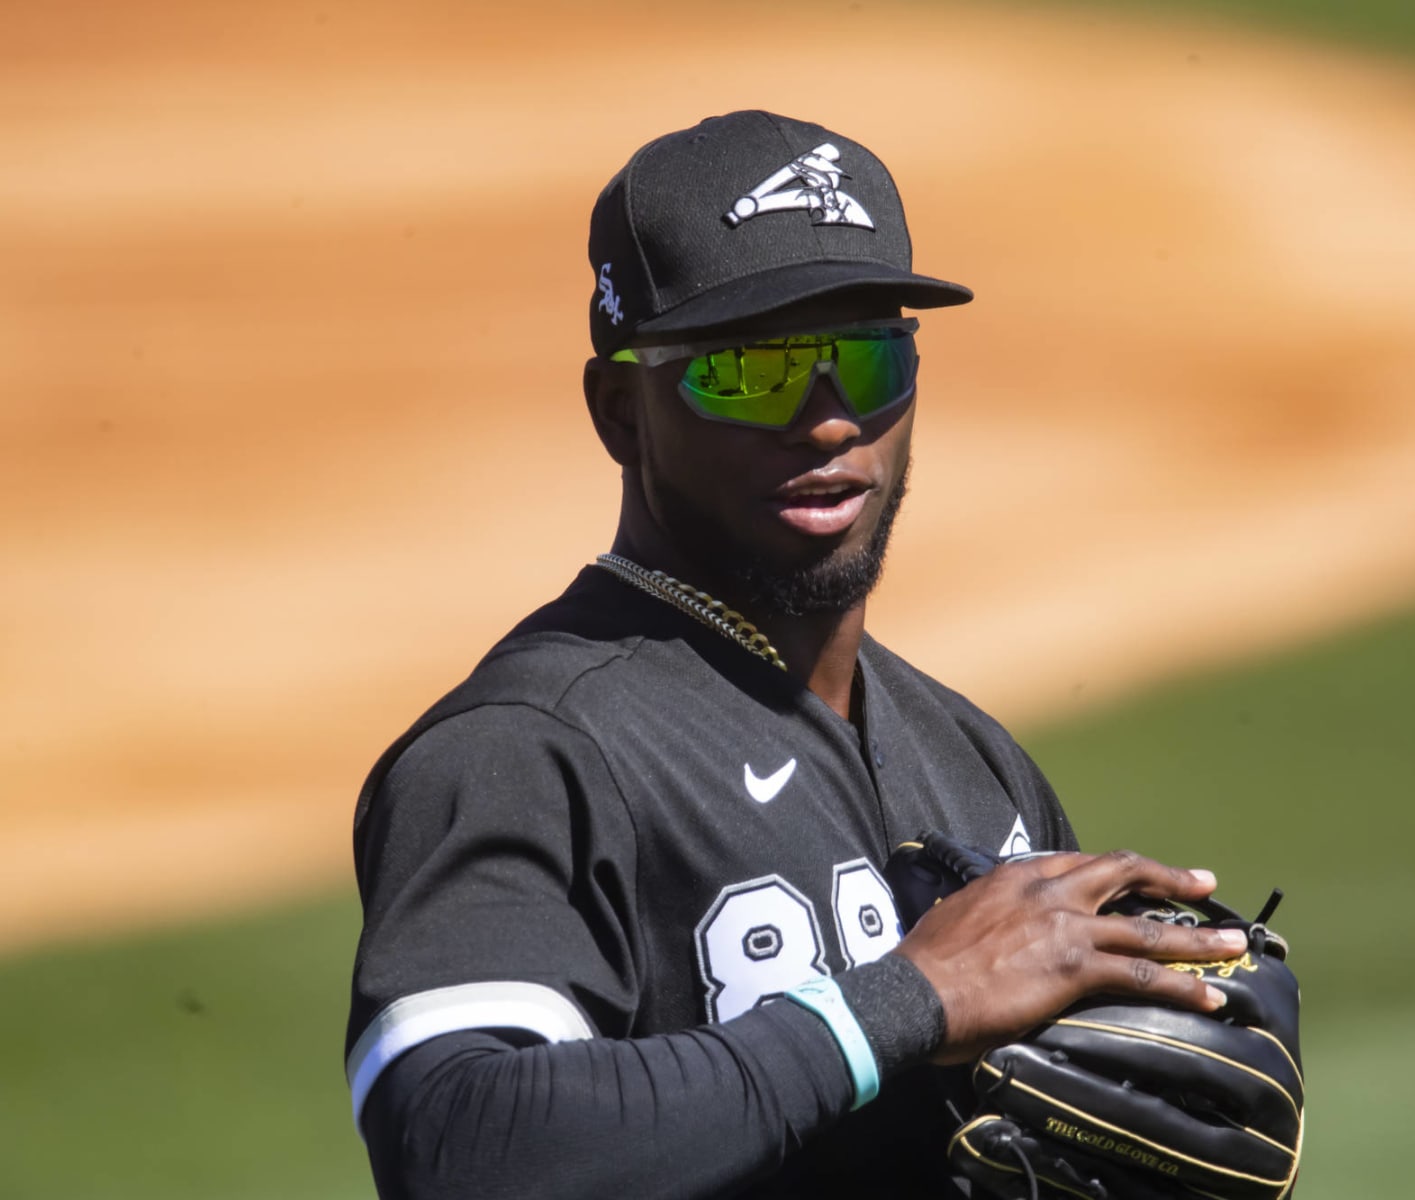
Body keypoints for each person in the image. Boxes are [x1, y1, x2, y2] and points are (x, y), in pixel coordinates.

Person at [344, 110, 1246, 1199]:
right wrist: (907, 1003)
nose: (826, 423)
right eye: (749, 371)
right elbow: (460, 1146)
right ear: (621, 410)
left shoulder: (975, 762)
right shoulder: (529, 753)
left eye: (867, 359)